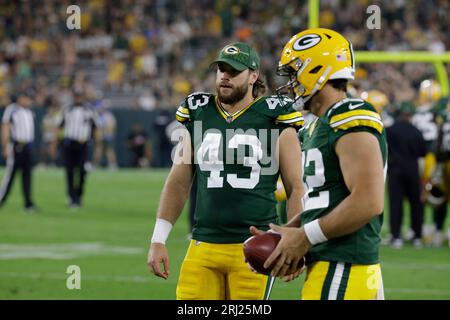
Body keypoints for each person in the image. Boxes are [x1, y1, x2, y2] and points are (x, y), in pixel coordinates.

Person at [147, 42, 304, 300]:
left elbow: (296, 186)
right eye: (221, 69)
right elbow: (178, 181)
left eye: (234, 70)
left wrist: (294, 241)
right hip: (203, 245)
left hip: (255, 247)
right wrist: (158, 238)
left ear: (254, 76)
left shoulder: (275, 116)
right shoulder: (200, 112)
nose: (225, 76)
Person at [251, 28, 388, 300]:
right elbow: (326, 201)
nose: (289, 83)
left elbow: (368, 201)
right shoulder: (318, 126)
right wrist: (290, 231)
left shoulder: (349, 115)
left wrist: (305, 237)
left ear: (316, 70)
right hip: (332, 264)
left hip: (343, 266)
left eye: (293, 73)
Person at [386, 104, 427, 248]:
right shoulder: (416, 131)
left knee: (395, 204)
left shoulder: (390, 130)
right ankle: (417, 236)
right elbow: (423, 152)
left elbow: (384, 151)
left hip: (395, 171)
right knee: (416, 204)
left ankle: (396, 236)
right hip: (412, 171)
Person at [57, 92, 100, 208]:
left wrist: (98, 146)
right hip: (69, 143)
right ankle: (71, 197)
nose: (78, 98)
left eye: (80, 96)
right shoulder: (67, 109)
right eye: (76, 96)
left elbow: (96, 128)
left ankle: (78, 195)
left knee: (82, 171)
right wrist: (55, 143)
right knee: (69, 171)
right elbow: (59, 126)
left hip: (83, 144)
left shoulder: (90, 110)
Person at [0, 91, 37, 211]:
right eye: (25, 97)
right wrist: (5, 146)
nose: (27, 100)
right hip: (16, 146)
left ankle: (28, 203)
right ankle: (1, 199)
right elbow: (5, 126)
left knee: (27, 176)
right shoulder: (12, 109)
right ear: (20, 98)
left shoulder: (30, 112)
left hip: (28, 146)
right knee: (10, 175)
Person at [93, 104, 117, 169]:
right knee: (99, 150)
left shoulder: (108, 116)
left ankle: (112, 165)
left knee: (109, 150)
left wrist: (106, 134)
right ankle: (96, 164)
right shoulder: (98, 116)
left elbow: (111, 126)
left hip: (107, 136)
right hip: (102, 136)